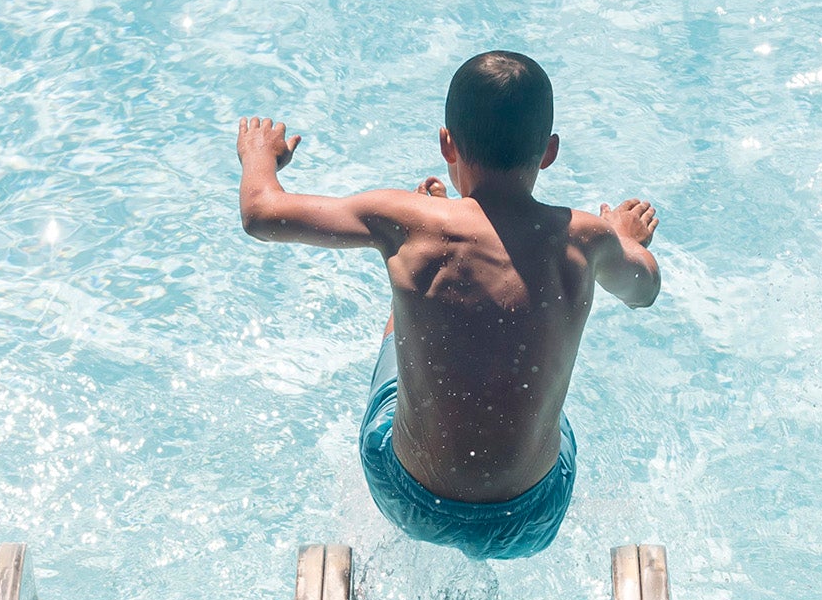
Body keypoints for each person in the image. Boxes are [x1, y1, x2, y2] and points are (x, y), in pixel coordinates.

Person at [238, 51, 660, 562]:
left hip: (407, 496)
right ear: (548, 152)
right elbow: (644, 289)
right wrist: (625, 238)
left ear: (447, 144)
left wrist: (260, 154)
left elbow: (261, 213)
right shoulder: (584, 239)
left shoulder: (408, 220)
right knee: (539, 381)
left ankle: (418, 272)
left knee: (414, 276)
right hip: (530, 516)